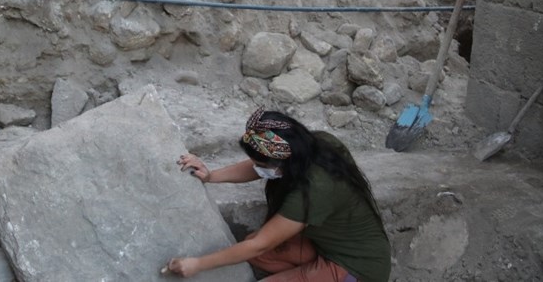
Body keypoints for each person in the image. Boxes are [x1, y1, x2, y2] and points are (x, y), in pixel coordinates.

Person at [167, 108, 391, 281]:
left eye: (260, 164)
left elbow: (261, 245)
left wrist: (197, 264)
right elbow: (259, 166)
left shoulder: (311, 192)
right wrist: (211, 176)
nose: (258, 170)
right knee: (253, 249)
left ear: (280, 162)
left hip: (358, 268)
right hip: (330, 245)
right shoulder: (314, 145)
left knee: (256, 248)